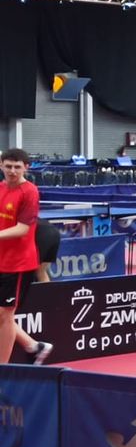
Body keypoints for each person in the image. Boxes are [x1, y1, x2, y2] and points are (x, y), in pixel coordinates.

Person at [0, 149, 44, 366]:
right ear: (1, 166)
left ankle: (3, 369)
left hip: (18, 264)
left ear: (26, 167)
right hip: (0, 260)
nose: (12, 171)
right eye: (8, 166)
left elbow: (22, 229)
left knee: (5, 315)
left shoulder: (30, 192)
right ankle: (34, 346)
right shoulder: (0, 189)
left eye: (17, 167)